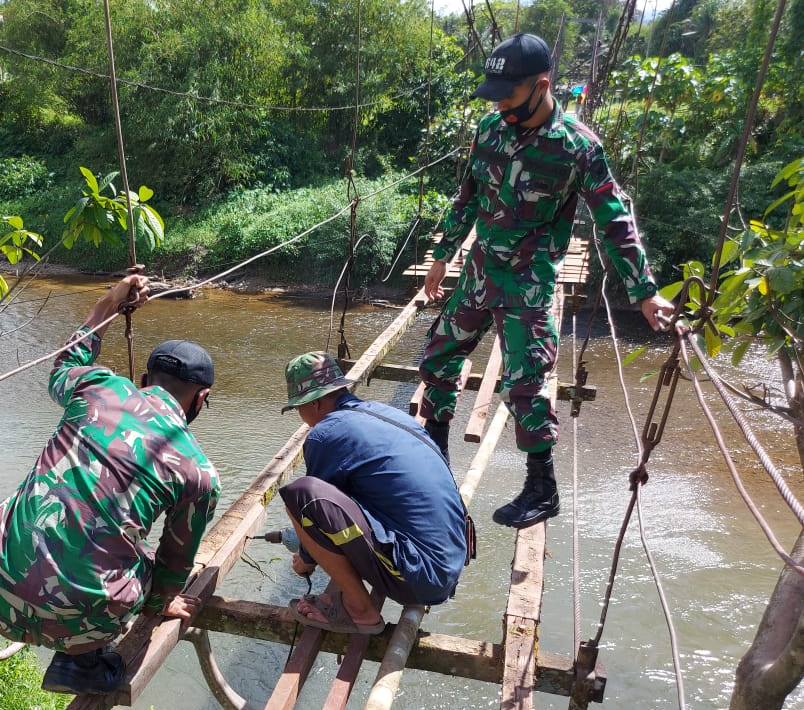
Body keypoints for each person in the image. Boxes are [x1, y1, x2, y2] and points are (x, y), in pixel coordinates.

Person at [418, 33, 674, 529]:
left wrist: (642, 290)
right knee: (439, 356)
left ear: (542, 85)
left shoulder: (578, 148)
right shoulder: (489, 131)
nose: (500, 104)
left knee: (525, 382)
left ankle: (542, 487)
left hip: (528, 281)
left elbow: (614, 219)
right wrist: (441, 256)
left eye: (508, 94)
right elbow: (466, 197)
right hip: (479, 270)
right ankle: (434, 457)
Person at [0, 275, 220, 694]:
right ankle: (81, 665)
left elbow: (66, 361)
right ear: (201, 398)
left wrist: (109, 303)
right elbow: (174, 569)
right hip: (79, 626)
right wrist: (162, 599)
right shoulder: (198, 472)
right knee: (147, 560)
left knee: (42, 502)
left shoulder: (98, 387)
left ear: (143, 379)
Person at [278, 352, 469, 634]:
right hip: (450, 561)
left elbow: (315, 508)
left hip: (422, 577)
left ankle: (359, 610)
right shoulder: (387, 414)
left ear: (315, 402)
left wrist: (306, 558)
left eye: (299, 408)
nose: (302, 416)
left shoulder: (325, 434)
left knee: (299, 495)